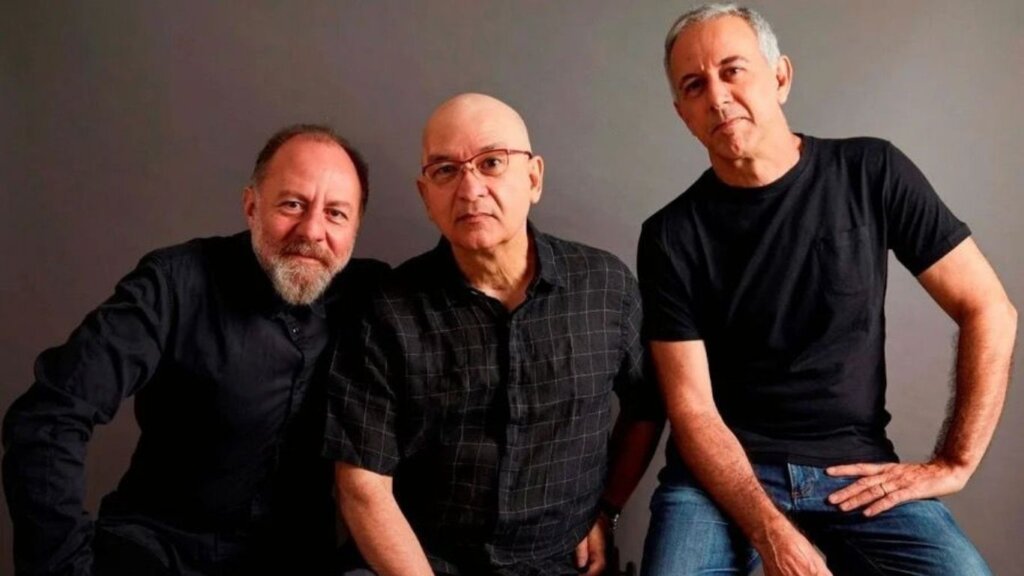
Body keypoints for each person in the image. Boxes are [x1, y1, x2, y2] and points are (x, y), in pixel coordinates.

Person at [637, 4, 1017, 576]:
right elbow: (692, 411)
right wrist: (771, 533)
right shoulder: (669, 235)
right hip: (720, 480)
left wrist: (955, 462)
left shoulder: (871, 171)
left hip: (852, 470)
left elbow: (989, 307)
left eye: (733, 71)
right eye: (694, 86)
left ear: (780, 77)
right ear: (682, 114)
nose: (717, 97)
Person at [2, 124, 388, 576]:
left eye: (336, 214)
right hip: (158, 554)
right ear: (251, 206)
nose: (312, 231)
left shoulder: (374, 300)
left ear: (355, 228)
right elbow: (49, 416)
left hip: (298, 565)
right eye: (292, 204)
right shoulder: (173, 284)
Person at [324, 92, 664, 576]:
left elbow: (647, 405)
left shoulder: (604, 286)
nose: (470, 189)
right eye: (446, 170)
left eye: (492, 162)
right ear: (426, 196)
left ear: (533, 178)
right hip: (422, 561)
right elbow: (362, 483)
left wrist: (608, 508)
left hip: (561, 562)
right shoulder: (386, 311)